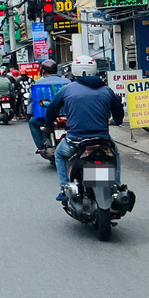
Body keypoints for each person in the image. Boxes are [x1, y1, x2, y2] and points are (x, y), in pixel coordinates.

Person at [45, 56, 125, 201]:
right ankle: (117, 185)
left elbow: (51, 110)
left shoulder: (67, 89)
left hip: (75, 141)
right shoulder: (106, 90)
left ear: (74, 70)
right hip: (103, 141)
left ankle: (64, 187)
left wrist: (48, 126)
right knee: (116, 154)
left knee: (59, 154)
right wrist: (117, 121)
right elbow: (118, 110)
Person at [28, 59, 70, 155]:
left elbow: (31, 100)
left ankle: (41, 147)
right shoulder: (67, 81)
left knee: (32, 123)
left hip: (45, 116)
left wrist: (30, 113)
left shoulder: (38, 83)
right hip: (67, 115)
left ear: (43, 70)